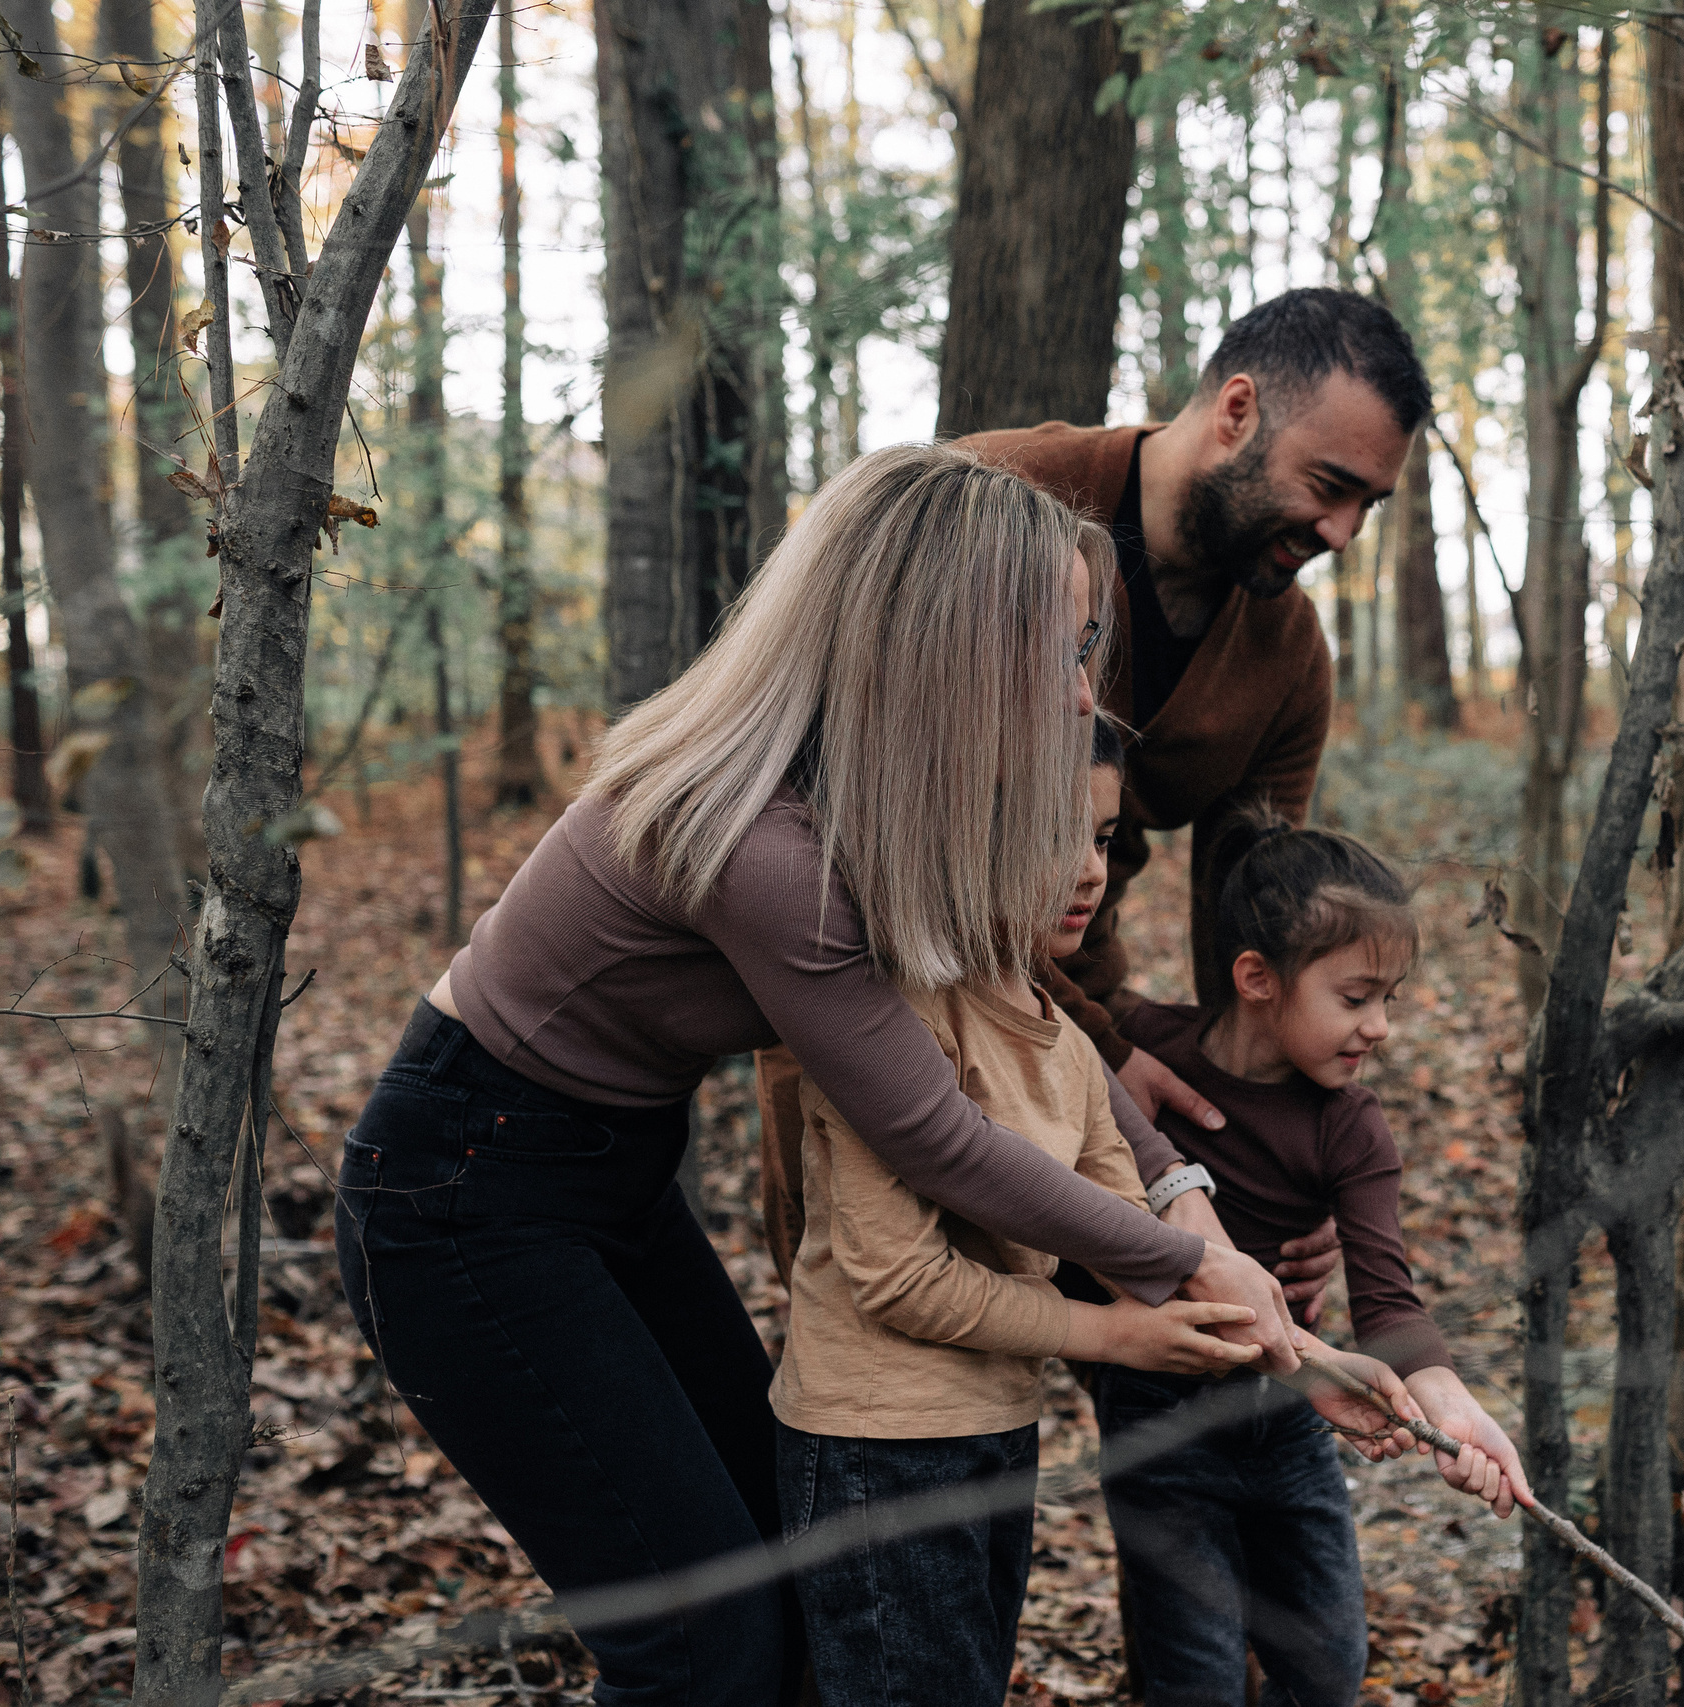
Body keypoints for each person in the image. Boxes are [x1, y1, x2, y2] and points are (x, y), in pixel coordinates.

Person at [333, 446, 1301, 1707]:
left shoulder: (879, 796)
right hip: (467, 1190)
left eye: (1085, 654)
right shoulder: (769, 842)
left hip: (610, 1176)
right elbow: (936, 1138)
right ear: (945, 644)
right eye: (1058, 655)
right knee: (699, 1648)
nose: (1081, 698)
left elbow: (1027, 1009)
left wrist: (1177, 1193)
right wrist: (1179, 1265)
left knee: (787, 1589)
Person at [760, 287, 1432, 1320]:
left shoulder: (1289, 658)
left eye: (1367, 507)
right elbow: (833, 806)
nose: (1341, 532)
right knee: (877, 1318)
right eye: (1329, 486)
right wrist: (1108, 1053)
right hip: (885, 976)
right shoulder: (991, 497)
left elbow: (1257, 932)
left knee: (1119, 1327)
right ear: (1238, 411)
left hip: (1078, 1004)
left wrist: (1290, 1146)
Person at [774, 723, 1417, 1707]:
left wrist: (1310, 1364)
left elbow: (1142, 1227)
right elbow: (901, 1279)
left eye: (1105, 837)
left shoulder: (1062, 1038)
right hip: (879, 1445)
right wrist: (1114, 1335)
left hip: (996, 1424)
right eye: (1052, 833)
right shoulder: (886, 1016)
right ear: (963, 830)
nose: (1088, 870)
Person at [1090, 811, 1532, 1707]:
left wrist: (1449, 1402)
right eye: (1357, 996)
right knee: (1196, 1676)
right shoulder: (1142, 1052)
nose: (1381, 1026)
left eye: (1390, 999)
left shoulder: (1351, 1125)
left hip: (1293, 1415)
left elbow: (1387, 1296)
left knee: (1329, 1663)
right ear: (1257, 977)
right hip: (1158, 1419)